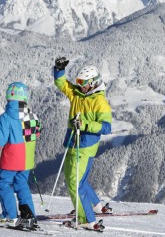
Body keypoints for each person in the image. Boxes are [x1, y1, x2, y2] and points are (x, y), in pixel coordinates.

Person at [53, 57, 112, 231]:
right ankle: (95, 206)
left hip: (85, 145)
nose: (79, 85)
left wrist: (85, 125)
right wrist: (59, 70)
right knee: (79, 179)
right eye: (78, 82)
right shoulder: (77, 94)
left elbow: (107, 127)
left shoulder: (100, 102)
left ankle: (86, 218)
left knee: (74, 182)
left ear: (93, 83)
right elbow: (61, 83)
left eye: (83, 83)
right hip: (73, 141)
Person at [0, 82, 41, 227]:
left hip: (12, 159)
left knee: (2, 184)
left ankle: (10, 215)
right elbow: (37, 134)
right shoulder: (31, 115)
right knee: (21, 184)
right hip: (27, 160)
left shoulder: (6, 117)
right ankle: (29, 215)